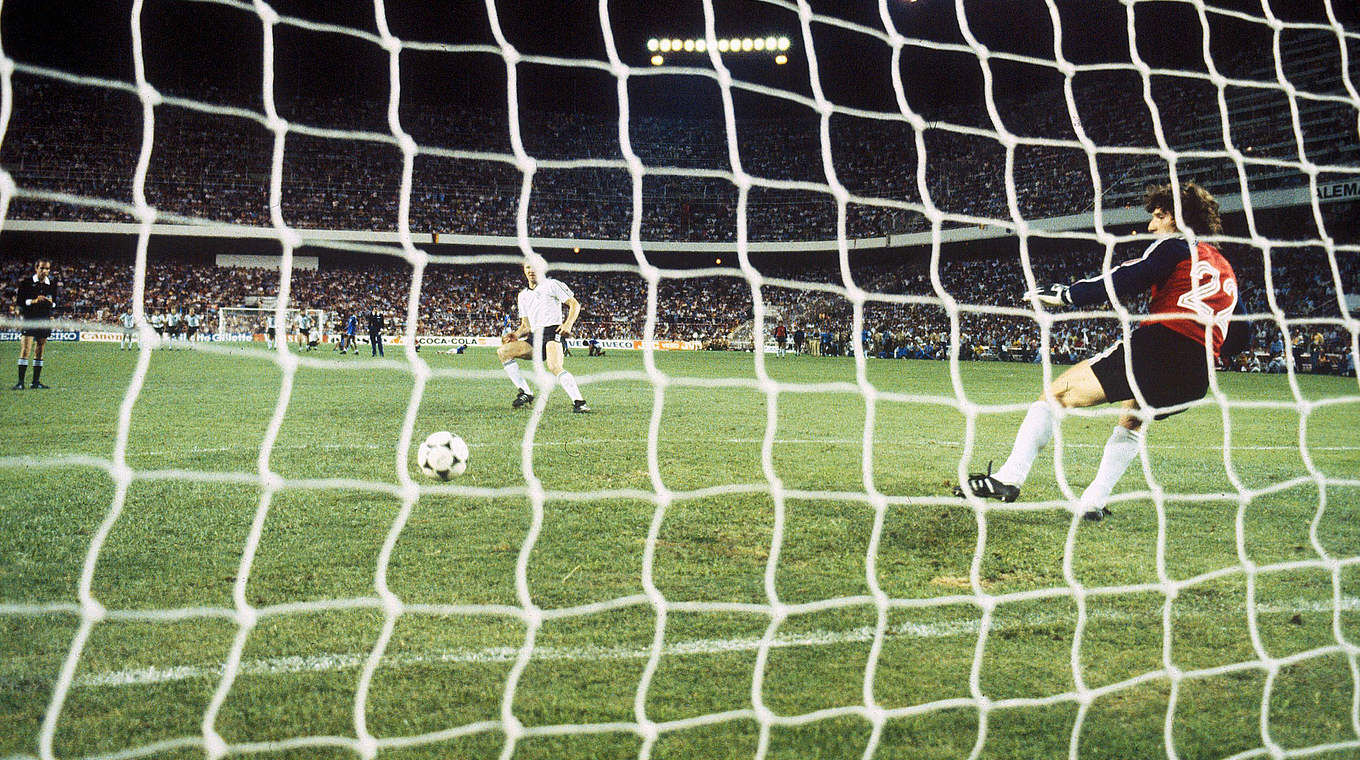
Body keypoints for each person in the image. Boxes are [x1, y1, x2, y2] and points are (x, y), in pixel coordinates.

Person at [953, 181, 1251, 521]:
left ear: (1179, 219)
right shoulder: (1224, 268)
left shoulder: (1175, 246)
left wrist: (1069, 295)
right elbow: (1242, 334)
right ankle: (1093, 502)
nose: (1152, 226)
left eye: (1159, 216)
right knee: (1132, 418)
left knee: (1057, 394)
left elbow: (1129, 276)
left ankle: (1009, 478)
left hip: (1160, 346)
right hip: (1198, 377)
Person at [496, 261, 590, 413]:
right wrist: (516, 334)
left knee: (554, 366)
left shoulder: (552, 284)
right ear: (524, 270)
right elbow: (525, 326)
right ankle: (526, 392)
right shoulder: (523, 296)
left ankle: (579, 402)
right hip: (534, 337)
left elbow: (574, 304)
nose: (531, 270)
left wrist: (568, 324)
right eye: (528, 267)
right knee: (503, 351)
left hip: (552, 333)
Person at [14, 259, 57, 389]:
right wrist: (34, 301)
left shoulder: (52, 284)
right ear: (36, 268)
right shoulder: (26, 283)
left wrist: (50, 304)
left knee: (40, 350)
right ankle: (20, 382)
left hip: (44, 319)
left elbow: (55, 303)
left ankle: (35, 382)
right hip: (30, 319)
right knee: (25, 349)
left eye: (47, 269)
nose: (45, 271)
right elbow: (20, 303)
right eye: (42, 268)